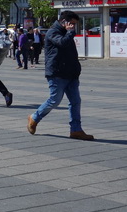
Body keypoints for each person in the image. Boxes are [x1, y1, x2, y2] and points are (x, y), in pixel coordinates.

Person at [27, 11, 93, 141]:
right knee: (54, 100)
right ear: (64, 22)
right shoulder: (53, 32)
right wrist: (70, 32)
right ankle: (34, 117)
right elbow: (62, 43)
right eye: (72, 24)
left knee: (75, 102)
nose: (74, 27)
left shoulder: (66, 33)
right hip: (57, 73)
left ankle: (76, 130)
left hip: (71, 73)